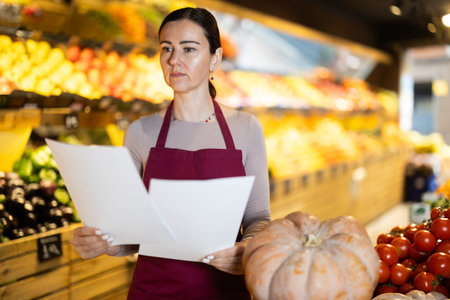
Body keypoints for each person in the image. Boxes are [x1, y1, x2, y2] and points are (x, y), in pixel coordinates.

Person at [71, 7, 271, 299]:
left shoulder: (246, 128)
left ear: (215, 58)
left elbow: (259, 218)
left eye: (189, 49)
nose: (174, 60)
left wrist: (246, 248)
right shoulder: (141, 133)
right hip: (152, 291)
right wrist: (105, 242)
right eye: (167, 49)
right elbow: (131, 235)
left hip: (222, 291)